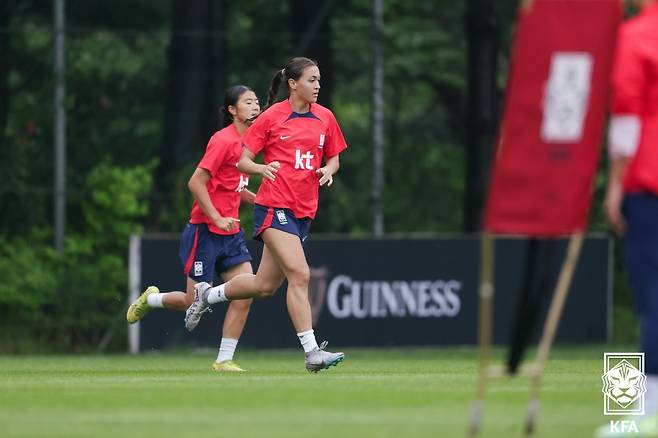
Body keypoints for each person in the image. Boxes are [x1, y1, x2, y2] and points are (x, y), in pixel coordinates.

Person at [184, 57, 347, 373]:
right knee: (300, 274)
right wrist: (261, 168)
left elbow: (335, 158)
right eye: (311, 80)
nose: (317, 86)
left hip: (303, 210)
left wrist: (329, 169)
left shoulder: (325, 117)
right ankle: (312, 353)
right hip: (274, 206)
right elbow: (243, 161)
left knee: (263, 286)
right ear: (293, 83)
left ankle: (207, 295)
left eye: (319, 80)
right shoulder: (272, 117)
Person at [126, 85, 261, 373]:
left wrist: (261, 199)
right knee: (191, 299)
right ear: (232, 111)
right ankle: (151, 299)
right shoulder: (222, 140)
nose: (255, 106)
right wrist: (215, 217)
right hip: (205, 232)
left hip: (232, 235)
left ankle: (224, 360)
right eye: (248, 102)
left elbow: (235, 188)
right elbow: (195, 183)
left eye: (257, 102)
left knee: (246, 291)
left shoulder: (251, 145)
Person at [603, 0, 658, 432]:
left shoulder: (638, 35)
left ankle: (636, 417)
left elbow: (627, 115)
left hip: (649, 183)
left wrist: (615, 186)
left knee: (650, 300)